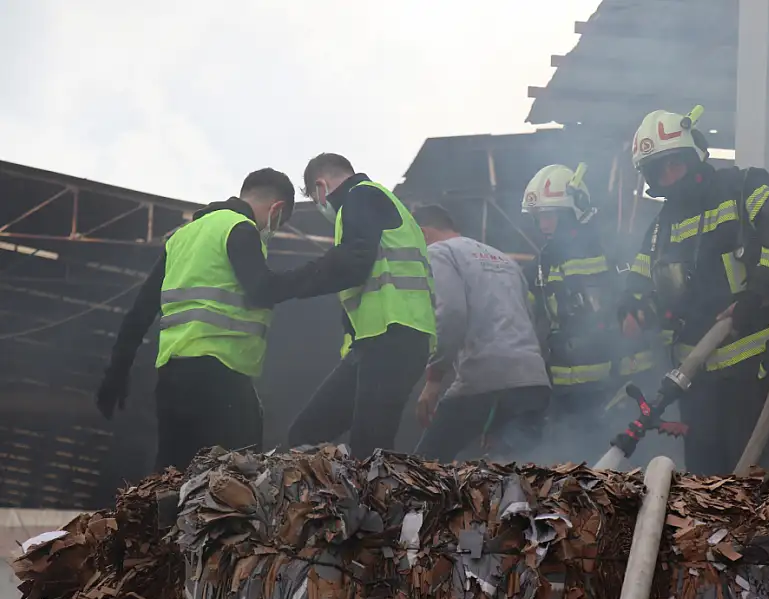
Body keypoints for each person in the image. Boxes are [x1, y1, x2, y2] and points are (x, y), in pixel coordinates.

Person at [623, 106, 769, 476]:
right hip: (699, 389)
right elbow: (637, 282)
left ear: (692, 156)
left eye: (674, 165)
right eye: (657, 171)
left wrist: (754, 296)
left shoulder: (742, 188)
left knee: (762, 495)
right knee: (707, 500)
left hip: (759, 376)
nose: (668, 178)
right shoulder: (659, 229)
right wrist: (632, 309)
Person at [95, 168, 299, 471]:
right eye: (279, 223)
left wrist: (116, 372)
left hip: (173, 378)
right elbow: (260, 290)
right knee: (238, 481)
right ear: (276, 209)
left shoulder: (181, 238)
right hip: (222, 377)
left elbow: (139, 313)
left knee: (173, 477)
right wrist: (319, 274)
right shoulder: (240, 229)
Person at [284, 153, 435, 457]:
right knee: (305, 435)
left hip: (393, 334)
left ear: (321, 186)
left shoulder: (360, 196)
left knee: (371, 449)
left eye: (315, 198)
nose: (319, 205)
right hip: (380, 341)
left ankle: (382, 503)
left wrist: (287, 285)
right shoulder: (374, 201)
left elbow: (354, 262)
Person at [520, 163, 650, 460]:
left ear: (573, 210)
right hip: (569, 393)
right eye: (539, 218)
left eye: (549, 216)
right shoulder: (543, 263)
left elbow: (636, 303)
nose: (543, 226)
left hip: (618, 387)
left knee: (623, 469)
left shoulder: (610, 248)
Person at [410, 204, 550, 462]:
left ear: (423, 234)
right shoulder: (504, 259)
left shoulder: (438, 253)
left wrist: (434, 379)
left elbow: (451, 314)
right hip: (532, 379)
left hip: (483, 377)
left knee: (422, 470)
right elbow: (529, 318)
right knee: (515, 477)